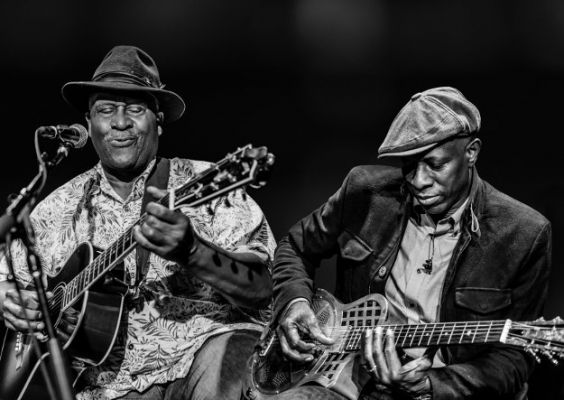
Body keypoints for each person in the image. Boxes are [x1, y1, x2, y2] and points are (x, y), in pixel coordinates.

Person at [0, 45, 276, 400]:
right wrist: (9, 299)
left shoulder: (206, 183)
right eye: (105, 110)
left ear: (158, 118)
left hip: (204, 353)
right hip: (109, 384)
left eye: (134, 109)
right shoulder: (57, 208)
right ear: (88, 122)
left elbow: (263, 289)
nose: (119, 122)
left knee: (234, 353)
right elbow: (7, 279)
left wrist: (193, 253)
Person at [271, 87, 552, 399]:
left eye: (434, 164)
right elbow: (294, 248)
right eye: (408, 165)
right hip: (348, 377)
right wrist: (293, 304)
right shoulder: (365, 192)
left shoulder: (524, 232)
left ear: (471, 152)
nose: (418, 180)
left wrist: (431, 384)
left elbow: (513, 362)